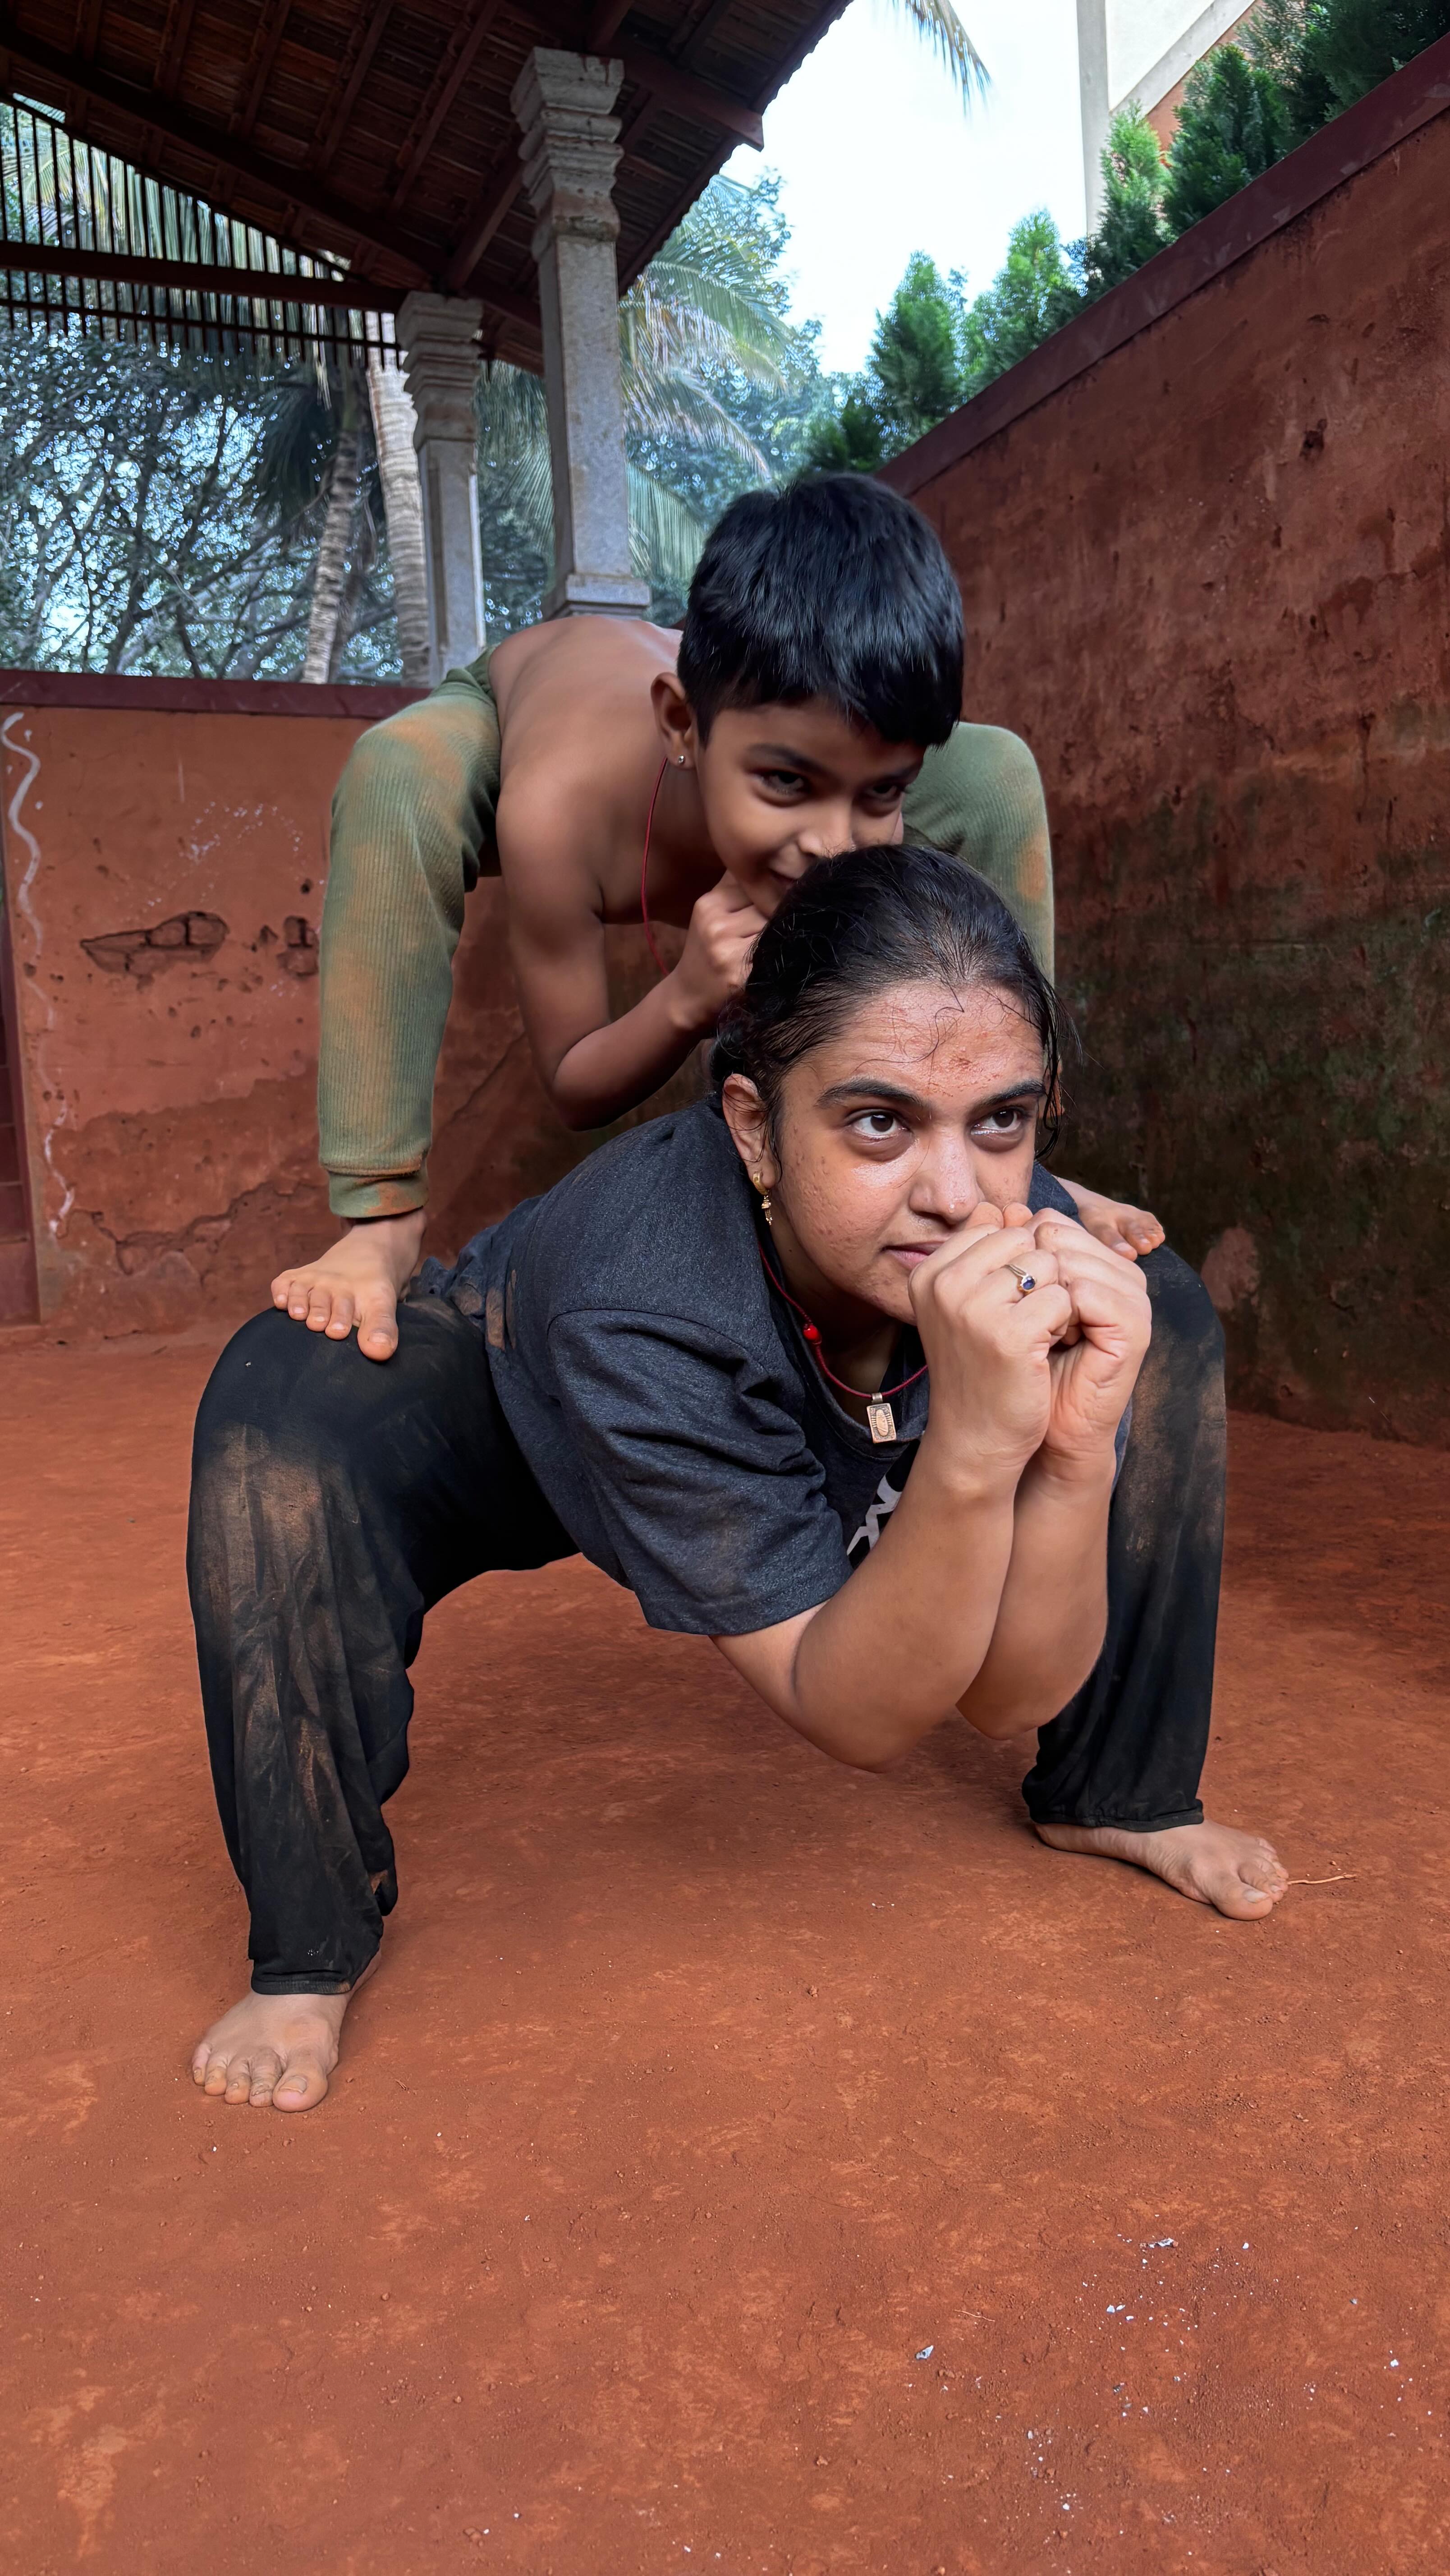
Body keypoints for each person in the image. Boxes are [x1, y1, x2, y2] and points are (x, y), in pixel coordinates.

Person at [188, 846, 1286, 2115]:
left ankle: (1120, 1791)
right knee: (287, 1417)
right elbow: (856, 1715)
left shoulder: (1009, 1234)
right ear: (755, 1125)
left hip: (813, 1382)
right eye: (877, 1120)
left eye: (1002, 1121)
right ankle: (306, 1955)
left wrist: (1075, 1450)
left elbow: (1005, 1695)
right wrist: (984, 1447)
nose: (953, 1193)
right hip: (516, 1395)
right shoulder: (641, 1290)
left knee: (1155, 1310)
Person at [278, 476, 1165, 1362]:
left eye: (882, 793)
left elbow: (862, 774)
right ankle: (380, 1221)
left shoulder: (806, 753)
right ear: (681, 726)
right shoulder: (559, 811)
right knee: (396, 775)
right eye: (787, 786)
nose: (834, 845)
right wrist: (684, 999)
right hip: (528, 701)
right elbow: (574, 1086)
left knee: (998, 769)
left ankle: (1032, 1173)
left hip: (740, 692)